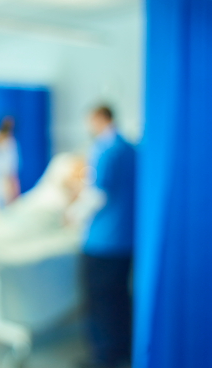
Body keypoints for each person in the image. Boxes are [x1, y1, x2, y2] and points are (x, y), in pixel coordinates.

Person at [79, 106, 136, 368]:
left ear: (100, 118)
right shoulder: (131, 149)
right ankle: (122, 347)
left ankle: (103, 356)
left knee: (100, 300)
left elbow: (97, 195)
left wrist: (72, 214)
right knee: (120, 297)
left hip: (103, 242)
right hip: (126, 240)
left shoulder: (105, 149)